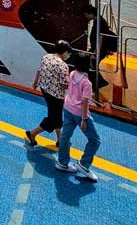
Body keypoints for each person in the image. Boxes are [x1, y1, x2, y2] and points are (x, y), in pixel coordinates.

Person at [56, 51, 101, 182]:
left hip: (68, 107)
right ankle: (84, 164)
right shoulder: (87, 83)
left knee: (65, 136)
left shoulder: (72, 74)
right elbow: (85, 101)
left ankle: (62, 162)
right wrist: (84, 119)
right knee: (95, 140)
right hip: (79, 112)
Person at [26, 40, 72, 147]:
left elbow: (39, 70)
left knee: (56, 116)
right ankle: (32, 133)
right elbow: (65, 84)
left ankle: (60, 140)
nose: (68, 55)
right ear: (64, 52)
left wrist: (35, 82)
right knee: (53, 119)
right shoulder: (63, 65)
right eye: (68, 53)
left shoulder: (46, 57)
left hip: (45, 90)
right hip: (56, 95)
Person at [85, 4, 117, 89]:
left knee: (91, 66)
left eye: (86, 15)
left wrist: (96, 52)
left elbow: (100, 38)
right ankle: (99, 82)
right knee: (91, 65)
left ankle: (99, 83)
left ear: (91, 14)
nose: (86, 17)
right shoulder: (99, 21)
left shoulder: (99, 22)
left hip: (100, 49)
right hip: (99, 48)